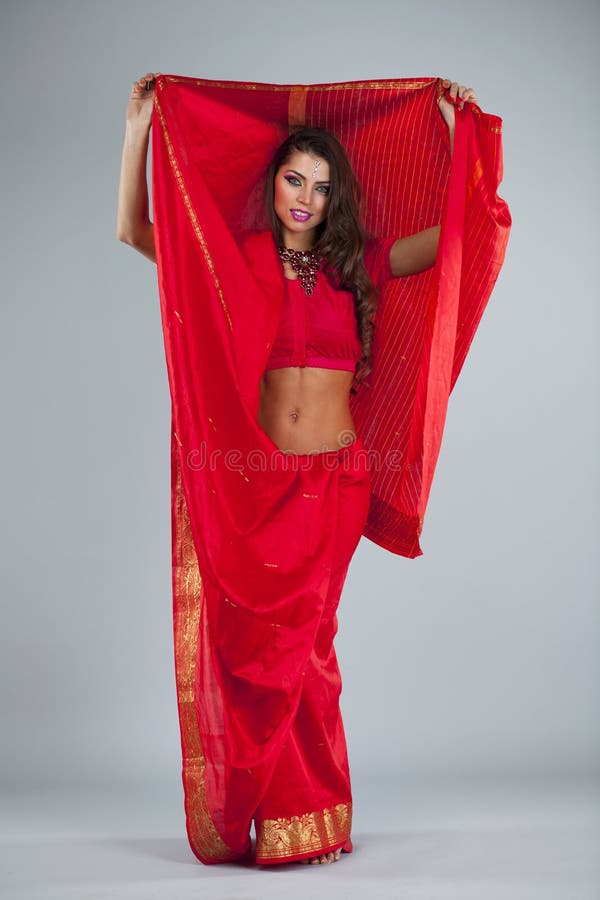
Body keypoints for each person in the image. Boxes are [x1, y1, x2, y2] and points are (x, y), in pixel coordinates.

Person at [116, 73, 481, 867]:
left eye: (320, 185)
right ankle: (280, 814)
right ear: (275, 184)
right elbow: (137, 232)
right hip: (261, 481)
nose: (306, 196)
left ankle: (309, 818)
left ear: (334, 197)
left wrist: (455, 133)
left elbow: (455, 241)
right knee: (263, 650)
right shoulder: (239, 260)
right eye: (294, 178)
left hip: (337, 482)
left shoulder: (358, 267)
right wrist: (141, 126)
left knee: (310, 647)